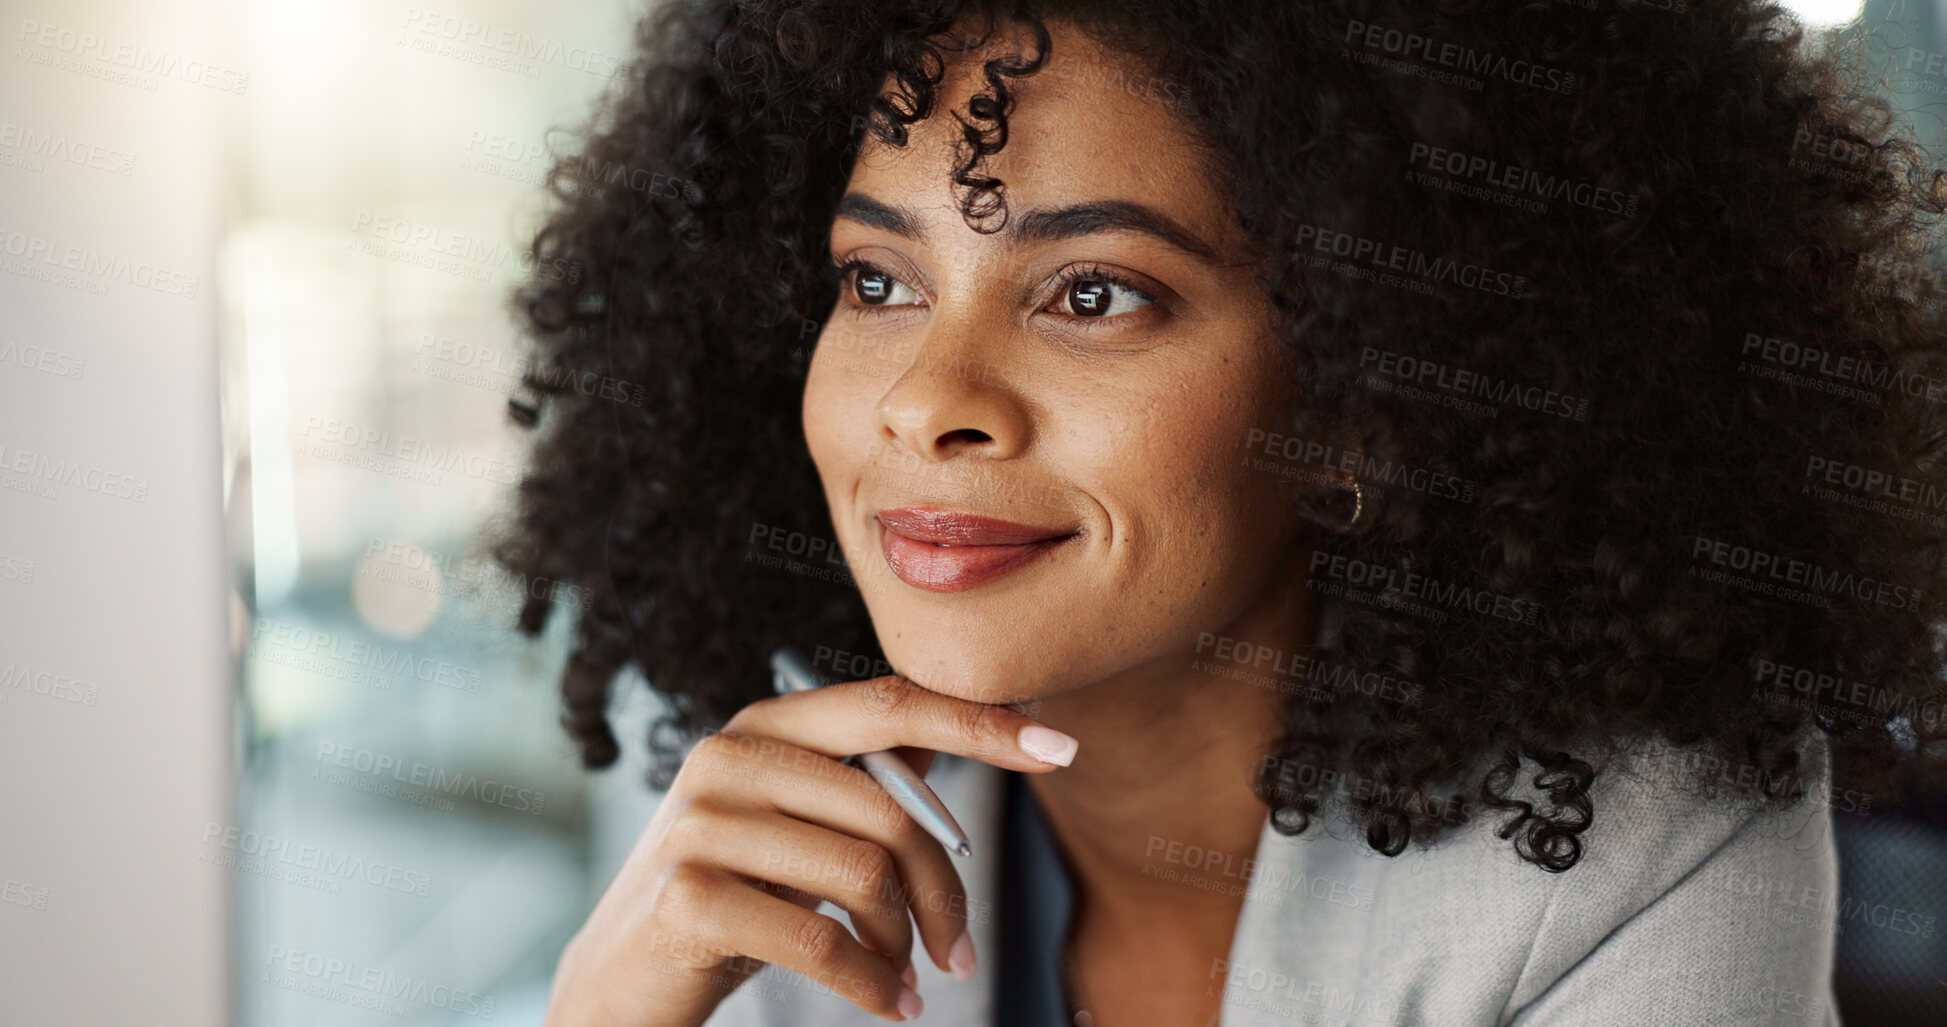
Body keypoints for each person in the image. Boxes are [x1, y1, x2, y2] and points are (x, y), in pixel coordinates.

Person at [495, 1, 1947, 1024]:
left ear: (1359, 392)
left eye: (1094, 294)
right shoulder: (764, 796)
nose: (930, 401)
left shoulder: (1642, 862)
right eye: (878, 282)